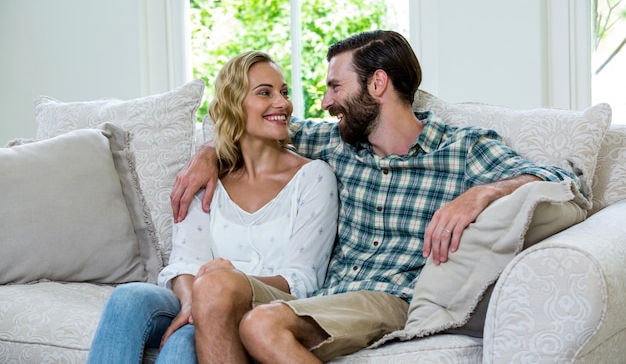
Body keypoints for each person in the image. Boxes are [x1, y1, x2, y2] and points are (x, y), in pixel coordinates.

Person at [170, 31, 581, 363]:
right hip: (321, 299)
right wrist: (208, 153)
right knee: (215, 285)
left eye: (335, 87)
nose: (326, 102)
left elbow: (564, 180)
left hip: (388, 298)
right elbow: (254, 129)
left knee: (260, 326)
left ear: (378, 83)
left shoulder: (462, 149)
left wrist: (483, 193)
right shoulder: (337, 144)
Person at [86, 51, 339, 364]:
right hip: (196, 298)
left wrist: (224, 287)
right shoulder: (206, 178)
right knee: (128, 297)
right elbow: (184, 262)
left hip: (259, 307)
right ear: (234, 104)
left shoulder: (313, 177)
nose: (283, 103)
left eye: (284, 92)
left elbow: (301, 281)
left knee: (183, 341)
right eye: (265, 93)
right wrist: (195, 304)